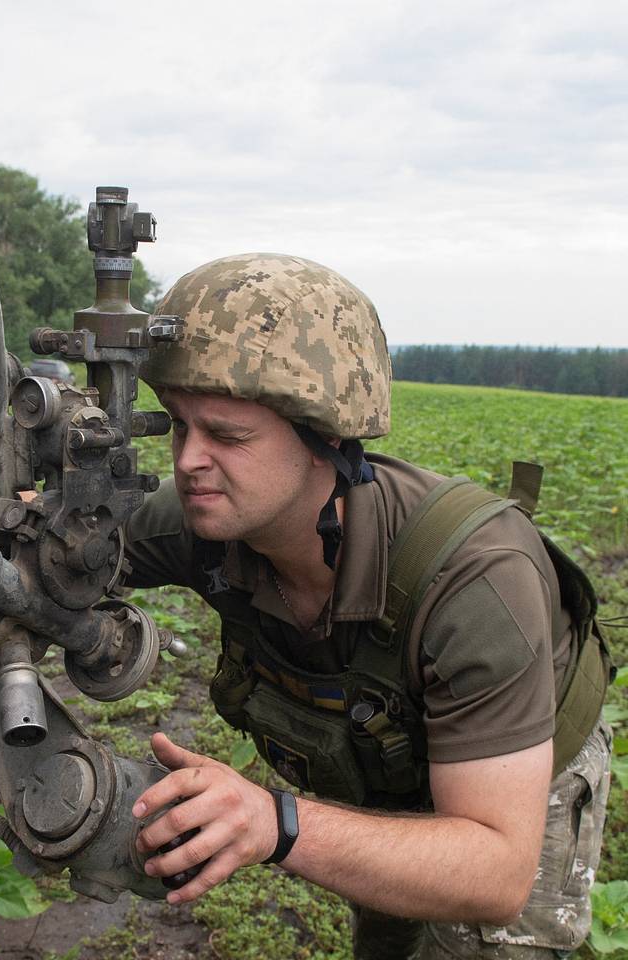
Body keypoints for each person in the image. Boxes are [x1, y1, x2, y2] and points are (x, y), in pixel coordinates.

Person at [123, 253, 612, 959]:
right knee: (388, 934)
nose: (189, 459)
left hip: (514, 783)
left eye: (227, 436)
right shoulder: (204, 517)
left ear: (325, 440)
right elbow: (42, 543)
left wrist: (276, 823)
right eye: (178, 426)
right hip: (387, 758)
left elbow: (497, 869)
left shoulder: (475, 581)